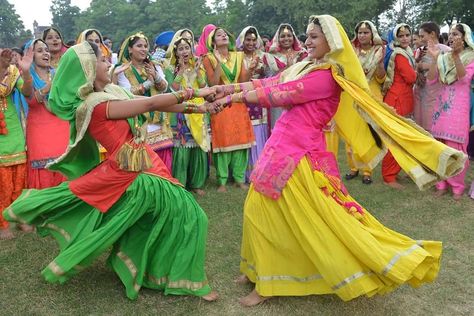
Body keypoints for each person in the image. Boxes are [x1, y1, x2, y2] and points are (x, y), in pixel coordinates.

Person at [205, 14, 465, 306]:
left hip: (299, 155)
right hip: (281, 145)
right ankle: (253, 270)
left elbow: (281, 93)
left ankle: (267, 284)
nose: (307, 41)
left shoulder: (328, 76)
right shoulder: (307, 65)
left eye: (314, 36)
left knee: (279, 215)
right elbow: (272, 80)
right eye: (307, 36)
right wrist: (225, 89)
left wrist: (232, 99)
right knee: (256, 207)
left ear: (331, 41)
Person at [3, 41, 219, 301]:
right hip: (135, 175)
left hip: (142, 162)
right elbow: (149, 105)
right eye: (103, 61)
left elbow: (154, 102)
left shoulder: (112, 91)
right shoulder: (95, 106)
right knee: (193, 216)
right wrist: (201, 91)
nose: (109, 64)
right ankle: (184, 280)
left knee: (161, 221)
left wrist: (201, 106)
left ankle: (152, 270)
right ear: (89, 70)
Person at [202, 27, 255, 192]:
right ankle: (222, 181)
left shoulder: (239, 56)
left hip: (238, 101)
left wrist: (251, 69)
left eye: (225, 33)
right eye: (219, 35)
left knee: (241, 140)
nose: (223, 35)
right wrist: (218, 62)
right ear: (213, 42)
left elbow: (243, 80)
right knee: (223, 140)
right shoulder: (208, 58)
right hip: (221, 104)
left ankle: (239, 179)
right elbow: (212, 84)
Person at [426, 23, 474, 200]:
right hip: (442, 104)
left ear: (465, 37)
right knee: (440, 145)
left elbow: (464, 78)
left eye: (456, 33)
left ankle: (457, 186)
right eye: (451, 34)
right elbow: (431, 80)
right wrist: (434, 58)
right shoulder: (443, 57)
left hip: (459, 105)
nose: (452, 37)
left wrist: (456, 57)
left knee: (456, 148)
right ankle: (441, 183)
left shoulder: (471, 56)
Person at [113, 33, 173, 171]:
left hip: (158, 120)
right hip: (138, 122)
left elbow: (164, 88)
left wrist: (155, 76)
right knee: (143, 163)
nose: (143, 49)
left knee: (163, 160)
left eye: (145, 46)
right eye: (139, 46)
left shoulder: (154, 66)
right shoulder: (123, 69)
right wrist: (147, 84)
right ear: (129, 49)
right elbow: (126, 94)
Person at [164, 36, 210, 196]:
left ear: (191, 50)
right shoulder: (170, 69)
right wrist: (181, 70)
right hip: (181, 111)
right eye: (180, 49)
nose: (184, 51)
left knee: (198, 146)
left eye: (187, 48)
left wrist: (197, 72)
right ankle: (181, 183)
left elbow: (204, 86)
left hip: (199, 109)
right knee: (182, 148)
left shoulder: (198, 65)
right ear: (175, 52)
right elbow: (173, 88)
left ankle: (197, 184)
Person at [344, 20, 386, 185]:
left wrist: (381, 63)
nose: (362, 35)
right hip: (353, 94)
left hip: (371, 95)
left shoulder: (378, 51)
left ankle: (367, 170)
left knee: (369, 133)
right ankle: (353, 168)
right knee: (351, 132)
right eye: (360, 32)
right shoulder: (352, 51)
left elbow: (381, 78)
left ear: (372, 34)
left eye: (365, 32)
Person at [24, 39, 69, 189]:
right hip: (39, 131)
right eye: (40, 50)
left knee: (65, 171)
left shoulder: (59, 74)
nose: (45, 53)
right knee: (44, 174)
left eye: (46, 50)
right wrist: (49, 86)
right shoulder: (27, 77)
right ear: (31, 56)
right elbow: (31, 100)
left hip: (62, 127)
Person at [0, 47, 33, 239]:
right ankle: (2, 223)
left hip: (13, 128)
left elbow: (27, 92)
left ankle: (20, 217)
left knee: (19, 176)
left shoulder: (12, 72)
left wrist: (26, 72)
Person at [382, 24, 417, 189]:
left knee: (401, 139)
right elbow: (410, 77)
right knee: (396, 140)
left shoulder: (406, 52)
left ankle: (396, 170)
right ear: (395, 38)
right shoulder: (400, 54)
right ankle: (389, 176)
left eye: (407, 35)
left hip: (402, 98)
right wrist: (420, 70)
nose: (404, 38)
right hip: (398, 100)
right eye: (401, 36)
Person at [236, 26, 269, 181]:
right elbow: (241, 81)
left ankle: (259, 170)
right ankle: (245, 173)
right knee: (247, 130)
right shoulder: (237, 57)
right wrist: (251, 69)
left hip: (259, 99)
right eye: (248, 39)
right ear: (242, 40)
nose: (251, 42)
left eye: (253, 40)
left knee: (259, 130)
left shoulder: (262, 56)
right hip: (244, 97)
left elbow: (267, 77)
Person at [264, 23, 307, 130]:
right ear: (278, 39)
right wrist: (287, 67)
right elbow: (270, 78)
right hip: (278, 95)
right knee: (280, 128)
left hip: (299, 95)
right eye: (282, 36)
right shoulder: (271, 57)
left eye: (289, 36)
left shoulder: (302, 54)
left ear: (294, 37)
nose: (286, 38)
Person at [413, 22, 450, 132]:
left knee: (433, 125)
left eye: (422, 36)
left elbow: (448, 71)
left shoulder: (445, 50)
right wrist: (418, 67)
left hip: (436, 92)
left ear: (432, 34)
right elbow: (415, 68)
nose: (420, 39)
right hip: (420, 90)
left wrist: (426, 66)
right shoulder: (420, 50)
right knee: (418, 125)